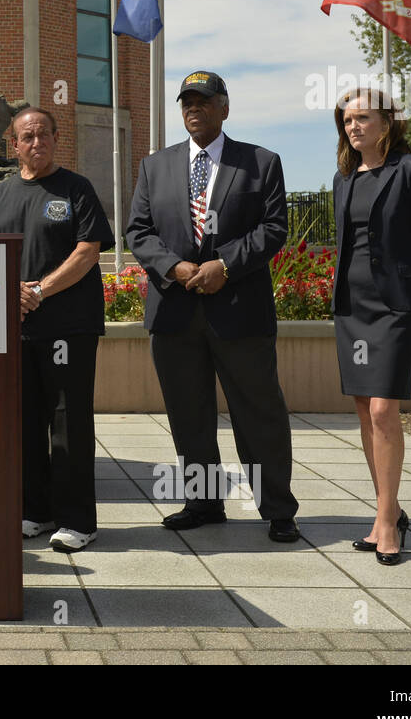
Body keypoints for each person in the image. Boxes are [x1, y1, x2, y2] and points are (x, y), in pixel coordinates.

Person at [125, 70, 300, 542]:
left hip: (240, 310)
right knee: (189, 414)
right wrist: (175, 269)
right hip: (175, 311)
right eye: (187, 102)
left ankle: (278, 509)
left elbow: (274, 227)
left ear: (225, 107)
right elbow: (138, 231)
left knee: (258, 413)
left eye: (203, 101)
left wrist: (225, 264)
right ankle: (203, 504)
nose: (193, 109)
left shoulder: (261, 162)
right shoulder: (154, 166)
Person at [0, 106, 113, 551]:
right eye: (27, 137)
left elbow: (88, 251)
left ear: (56, 139)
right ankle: (33, 511)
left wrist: (38, 291)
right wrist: (9, 293)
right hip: (13, 329)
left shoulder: (76, 189)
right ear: (13, 145)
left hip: (68, 329)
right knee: (23, 423)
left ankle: (78, 521)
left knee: (67, 423)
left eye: (44, 135)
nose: (37, 143)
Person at [332, 87, 411, 565]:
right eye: (347, 120)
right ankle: (390, 508)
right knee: (365, 410)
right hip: (352, 308)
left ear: (388, 123)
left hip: (396, 309)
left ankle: (386, 522)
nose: (354, 127)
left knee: (385, 410)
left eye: (363, 118)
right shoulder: (344, 178)